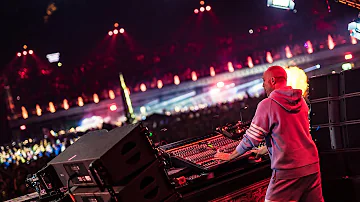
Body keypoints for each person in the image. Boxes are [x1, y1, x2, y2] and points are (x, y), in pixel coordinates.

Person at [215, 66, 323, 202]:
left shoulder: (268, 104)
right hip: (311, 165)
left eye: (264, 81)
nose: (262, 85)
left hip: (288, 170)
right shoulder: (301, 101)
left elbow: (250, 140)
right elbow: (296, 134)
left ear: (272, 81)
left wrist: (230, 156)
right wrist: (266, 149)